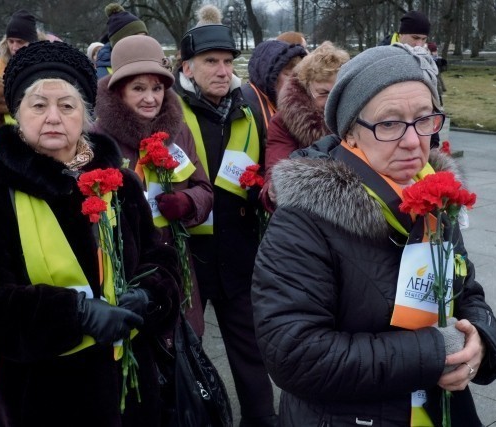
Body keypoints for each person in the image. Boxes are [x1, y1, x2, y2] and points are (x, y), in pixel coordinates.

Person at [252, 43, 496, 426]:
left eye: (424, 119)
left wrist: (480, 340)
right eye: (388, 123)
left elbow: (465, 289)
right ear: (350, 132)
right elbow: (293, 353)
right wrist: (432, 353)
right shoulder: (303, 219)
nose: (412, 140)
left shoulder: (434, 196)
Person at [0, 41, 181, 426]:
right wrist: (74, 314)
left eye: (67, 106)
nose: (53, 118)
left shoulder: (119, 182)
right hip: (43, 396)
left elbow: (161, 259)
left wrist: (149, 295)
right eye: (39, 106)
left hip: (129, 389)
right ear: (17, 115)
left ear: (86, 116)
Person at [174, 19, 277, 427]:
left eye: (228, 61)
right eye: (210, 61)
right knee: (186, 346)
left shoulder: (247, 109)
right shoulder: (168, 110)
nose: (222, 70)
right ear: (186, 68)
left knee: (249, 347)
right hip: (187, 254)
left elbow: (265, 162)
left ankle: (262, 418)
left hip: (238, 249)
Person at [94, 34, 212, 336]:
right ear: (119, 91)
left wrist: (187, 203)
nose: (151, 98)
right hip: (125, 270)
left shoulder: (178, 132)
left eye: (157, 88)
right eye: (139, 88)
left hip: (176, 264)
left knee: (183, 353)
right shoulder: (98, 140)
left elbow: (203, 189)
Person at [261, 41, 349, 212]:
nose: (332, 102)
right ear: (307, 89)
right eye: (323, 93)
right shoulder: (285, 121)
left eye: (338, 92)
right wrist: (273, 187)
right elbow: (276, 163)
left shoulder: (359, 116)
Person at [241, 39, 306, 135]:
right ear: (271, 75)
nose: (296, 81)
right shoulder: (246, 104)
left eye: (298, 75)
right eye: (288, 74)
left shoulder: (293, 103)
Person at [95, 3, 148, 79]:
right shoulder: (99, 77)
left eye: (145, 37)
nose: (143, 43)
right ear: (118, 43)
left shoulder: (153, 64)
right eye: (135, 38)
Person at [0, 9, 42, 79]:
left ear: (33, 43)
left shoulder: (43, 68)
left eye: (20, 42)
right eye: (11, 41)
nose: (14, 47)